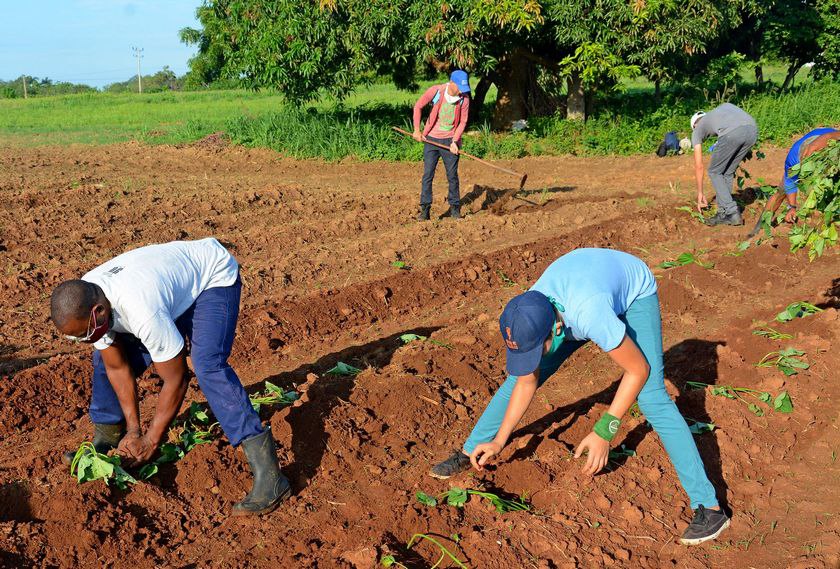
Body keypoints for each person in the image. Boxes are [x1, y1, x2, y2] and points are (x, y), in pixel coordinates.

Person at [430, 248, 730, 545]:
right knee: (519, 379)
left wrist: (604, 430)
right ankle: (472, 451)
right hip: (586, 286)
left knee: (651, 397)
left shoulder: (590, 315)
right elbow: (525, 382)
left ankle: (710, 508)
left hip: (631, 289)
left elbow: (637, 370)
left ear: (556, 329)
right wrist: (499, 440)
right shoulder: (528, 310)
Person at [51, 238, 289, 516]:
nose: (85, 339)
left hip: (211, 276)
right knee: (105, 360)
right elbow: (117, 368)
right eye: (77, 337)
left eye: (86, 334)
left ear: (99, 312)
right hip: (166, 287)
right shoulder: (87, 298)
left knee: (207, 365)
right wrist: (133, 431)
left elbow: (177, 379)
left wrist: (151, 440)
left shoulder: (141, 310)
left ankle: (271, 476)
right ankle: (106, 439)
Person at [412, 69, 471, 221]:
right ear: (452, 83)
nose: (461, 92)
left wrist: (454, 141)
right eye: (460, 88)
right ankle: (425, 210)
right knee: (427, 175)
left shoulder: (464, 99)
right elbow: (418, 107)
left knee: (452, 176)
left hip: (450, 141)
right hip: (431, 139)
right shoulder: (436, 91)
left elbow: (463, 121)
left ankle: (455, 209)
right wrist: (417, 130)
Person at [690, 103, 758, 226]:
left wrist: (700, 193)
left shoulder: (697, 130)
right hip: (753, 130)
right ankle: (723, 213)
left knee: (714, 171)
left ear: (695, 125)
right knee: (726, 172)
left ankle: (732, 212)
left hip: (732, 133)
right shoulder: (721, 111)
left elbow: (699, 165)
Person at [764, 127, 839, 224]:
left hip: (829, 148)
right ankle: (762, 225)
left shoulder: (831, 146)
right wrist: (792, 207)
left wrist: (829, 136)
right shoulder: (793, 160)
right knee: (781, 191)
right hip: (804, 153)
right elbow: (790, 184)